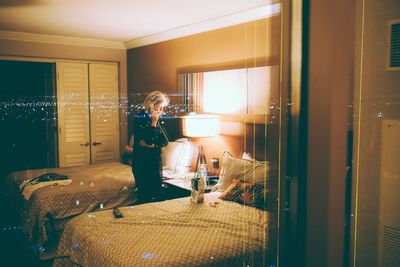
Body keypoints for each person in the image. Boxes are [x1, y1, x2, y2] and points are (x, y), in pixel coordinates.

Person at [131, 91, 170, 203]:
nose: (162, 110)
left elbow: (164, 141)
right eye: (160, 107)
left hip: (154, 159)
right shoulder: (140, 117)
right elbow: (148, 140)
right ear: (152, 104)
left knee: (156, 192)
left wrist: (150, 143)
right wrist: (153, 122)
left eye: (163, 107)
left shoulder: (159, 119)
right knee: (144, 193)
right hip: (142, 160)